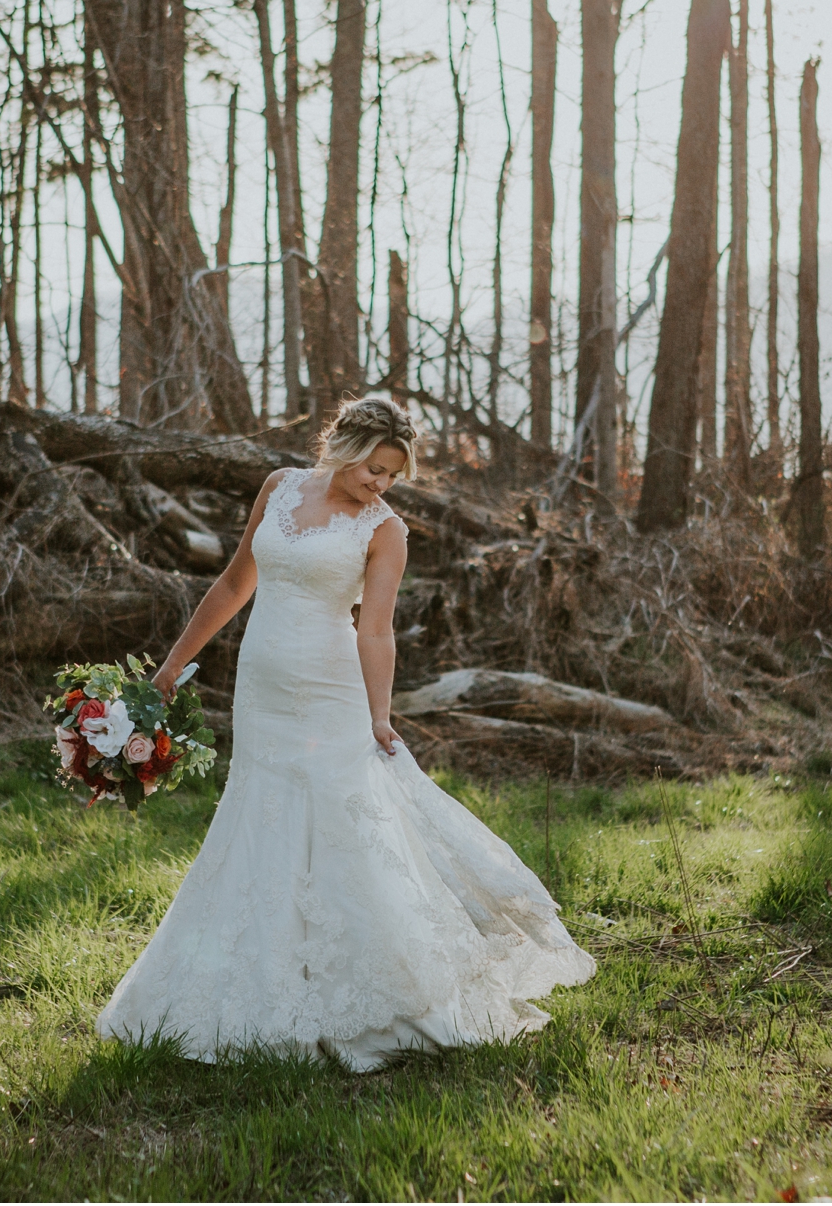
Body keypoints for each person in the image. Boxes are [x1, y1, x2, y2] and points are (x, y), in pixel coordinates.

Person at [98, 397, 595, 1071]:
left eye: (391, 475)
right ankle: (254, 979)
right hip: (262, 688)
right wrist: (172, 664)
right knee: (259, 819)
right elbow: (236, 581)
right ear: (344, 445)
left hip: (330, 691)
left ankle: (373, 991)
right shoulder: (279, 487)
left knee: (342, 823)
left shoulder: (384, 528)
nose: (380, 484)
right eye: (374, 469)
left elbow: (376, 628)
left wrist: (379, 715)